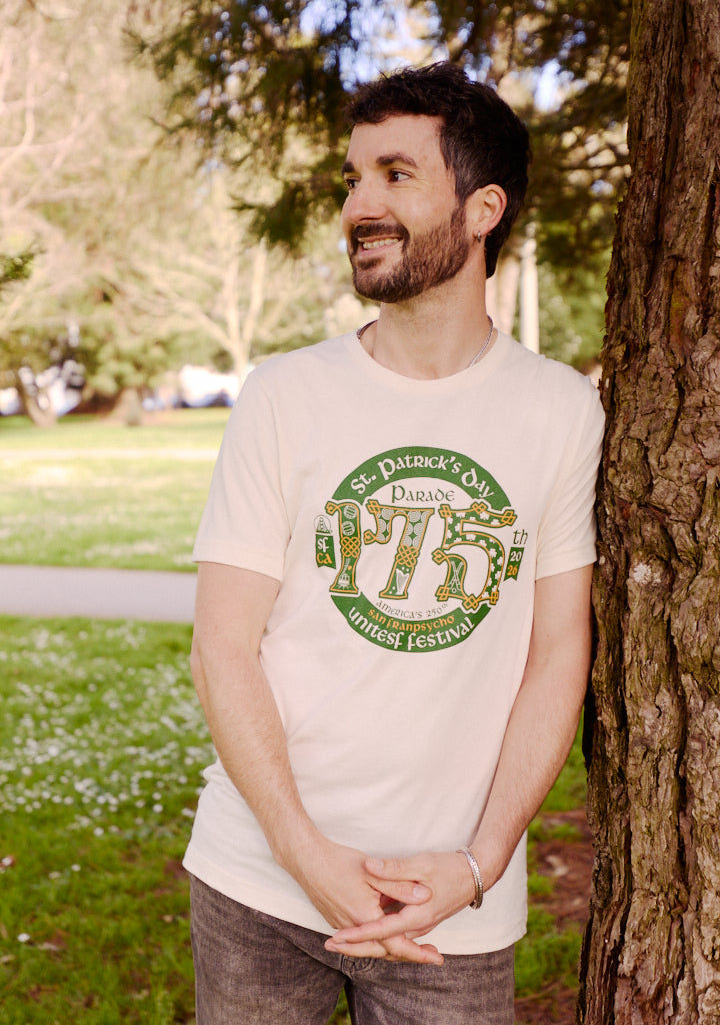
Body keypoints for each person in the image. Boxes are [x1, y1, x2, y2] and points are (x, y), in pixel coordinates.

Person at [184, 61, 604, 1025]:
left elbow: (556, 654)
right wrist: (306, 856)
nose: (359, 206)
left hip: (445, 907)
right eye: (352, 179)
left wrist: (481, 863)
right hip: (260, 882)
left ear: (484, 206)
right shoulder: (286, 395)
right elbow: (222, 645)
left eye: (395, 175)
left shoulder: (559, 410)